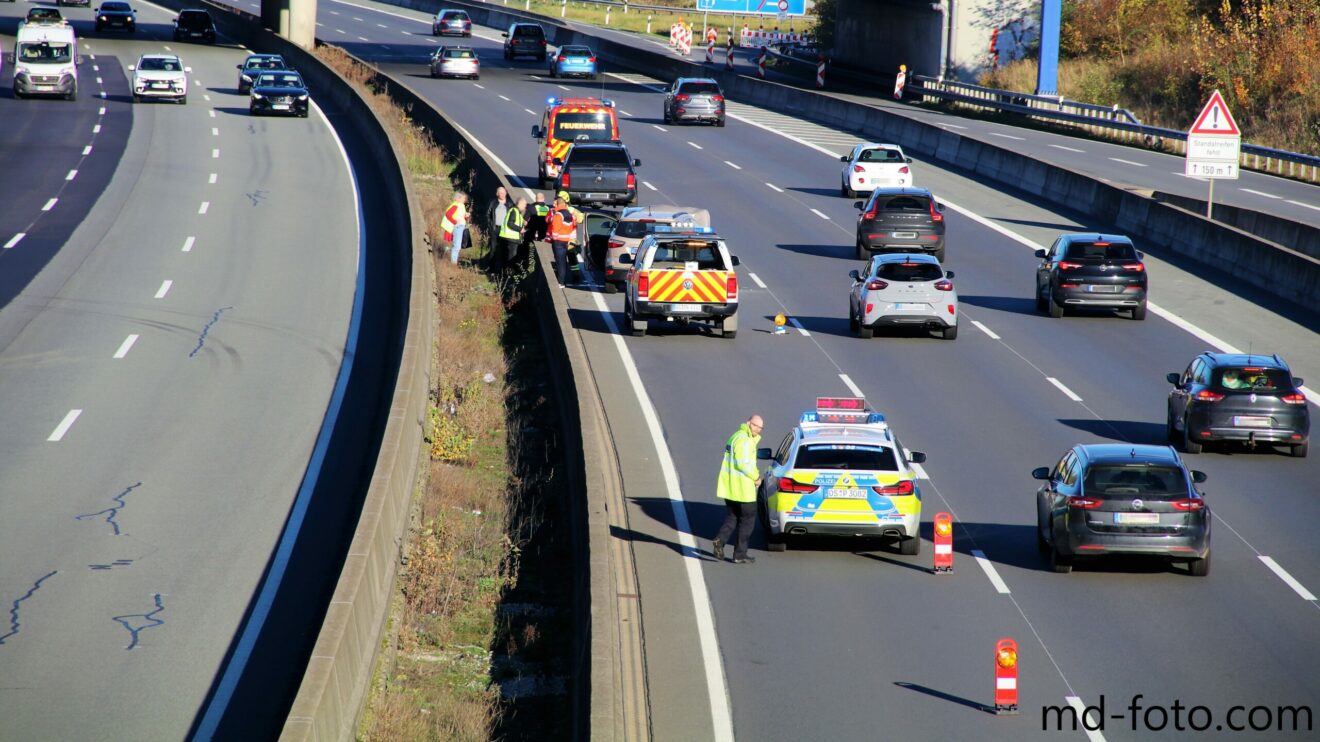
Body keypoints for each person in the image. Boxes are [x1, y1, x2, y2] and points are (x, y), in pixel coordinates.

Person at [712, 415, 764, 564]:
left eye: (760, 428)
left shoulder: (735, 436)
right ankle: (739, 554)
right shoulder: (744, 441)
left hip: (730, 488)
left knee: (732, 517)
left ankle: (720, 541)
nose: (758, 430)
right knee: (747, 520)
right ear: (748, 423)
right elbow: (743, 464)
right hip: (743, 489)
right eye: (755, 426)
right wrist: (756, 477)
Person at [546, 194, 577, 287]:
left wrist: (554, 239)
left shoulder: (558, 215)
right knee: (564, 261)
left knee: (560, 262)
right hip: (566, 241)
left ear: (558, 204)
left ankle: (561, 282)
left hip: (558, 241)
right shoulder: (570, 215)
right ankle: (564, 280)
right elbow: (573, 228)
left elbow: (555, 229)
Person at [520, 192, 550, 269]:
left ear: (535, 199)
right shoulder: (547, 208)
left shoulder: (531, 207)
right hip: (543, 233)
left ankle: (523, 263)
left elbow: (525, 220)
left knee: (525, 247)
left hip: (532, 231)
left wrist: (523, 228)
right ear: (544, 199)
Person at [497, 197, 527, 273]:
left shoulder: (516, 211)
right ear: (520, 204)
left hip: (509, 237)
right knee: (512, 257)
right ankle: (509, 274)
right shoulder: (514, 211)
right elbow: (510, 223)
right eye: (524, 206)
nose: (524, 208)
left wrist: (523, 222)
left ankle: (504, 272)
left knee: (505, 256)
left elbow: (515, 221)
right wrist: (520, 229)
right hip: (511, 238)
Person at [440, 191, 469, 264]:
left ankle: (447, 252)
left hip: (461, 226)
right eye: (463, 198)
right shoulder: (456, 205)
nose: (465, 199)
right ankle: (453, 263)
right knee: (457, 246)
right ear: (459, 198)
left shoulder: (461, 205)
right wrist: (455, 222)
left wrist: (466, 216)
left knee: (457, 246)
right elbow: (448, 214)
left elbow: (460, 216)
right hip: (458, 227)